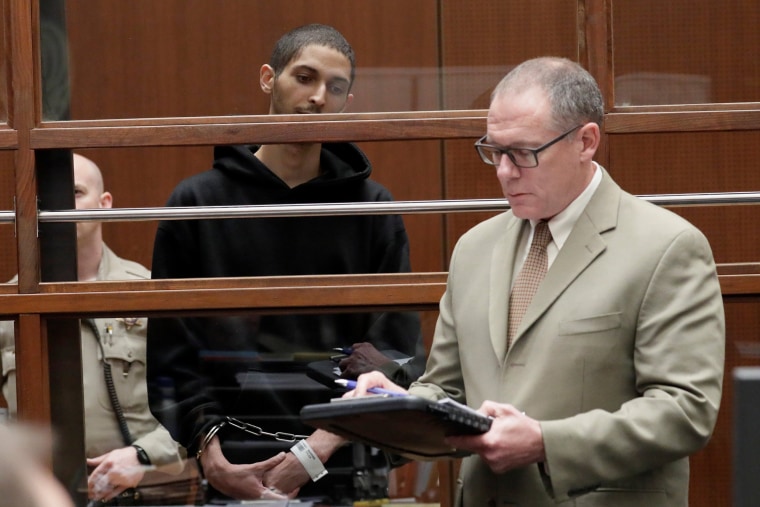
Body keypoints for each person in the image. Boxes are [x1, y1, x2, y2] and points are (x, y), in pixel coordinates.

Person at [351, 57, 725, 506]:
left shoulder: (667, 246)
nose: (504, 172)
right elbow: (447, 388)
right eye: (494, 150)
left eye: (524, 153)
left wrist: (546, 441)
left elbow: (685, 412)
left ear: (586, 141)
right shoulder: (474, 248)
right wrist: (399, 406)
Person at [146, 24, 424, 502]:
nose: (319, 97)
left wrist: (318, 450)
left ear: (347, 102)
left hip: (346, 460)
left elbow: (395, 350)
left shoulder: (371, 208)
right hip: (231, 461)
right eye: (305, 77)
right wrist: (212, 457)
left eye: (335, 88)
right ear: (267, 78)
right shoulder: (196, 203)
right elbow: (171, 354)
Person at [0, 153, 186, 504]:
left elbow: (193, 402)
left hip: (141, 493)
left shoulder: (146, 294)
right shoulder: (10, 305)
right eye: (49, 196)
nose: (60, 207)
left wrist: (144, 455)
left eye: (74, 192)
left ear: (105, 205)